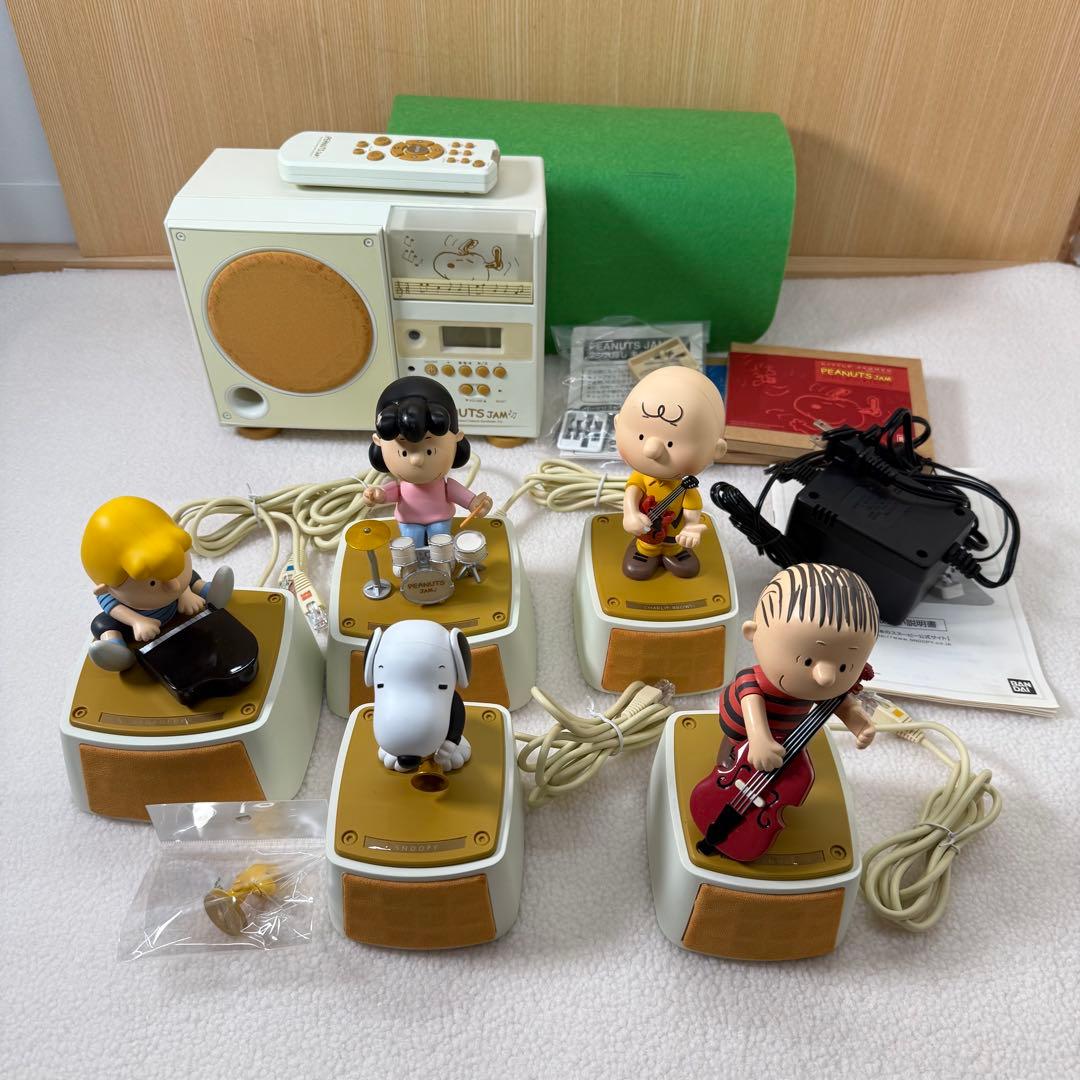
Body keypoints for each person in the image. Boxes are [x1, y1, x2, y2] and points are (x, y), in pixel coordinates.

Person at [720, 562, 879, 774]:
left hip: (786, 732)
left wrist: (859, 723)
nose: (826, 678)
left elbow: (841, 704)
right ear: (752, 632)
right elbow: (752, 708)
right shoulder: (750, 680)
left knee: (784, 760)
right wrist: (759, 739)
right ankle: (729, 756)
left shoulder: (821, 690)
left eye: (844, 667)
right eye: (807, 661)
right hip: (741, 729)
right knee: (734, 747)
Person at [81, 496, 233, 672]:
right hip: (138, 626)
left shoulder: (176, 580)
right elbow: (113, 608)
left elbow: (176, 577)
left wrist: (186, 593)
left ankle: (209, 592)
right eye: (152, 582)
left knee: (190, 578)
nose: (174, 586)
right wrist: (137, 622)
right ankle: (117, 650)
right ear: (106, 588)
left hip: (178, 606)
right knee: (102, 625)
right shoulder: (110, 593)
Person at [614, 366, 726, 580]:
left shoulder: (685, 487)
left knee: (674, 542)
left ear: (717, 450)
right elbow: (632, 493)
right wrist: (631, 513)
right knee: (647, 542)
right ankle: (645, 552)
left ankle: (673, 552)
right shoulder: (641, 477)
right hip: (647, 529)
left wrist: (691, 527)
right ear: (617, 424)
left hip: (674, 528)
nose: (651, 450)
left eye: (671, 443)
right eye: (640, 436)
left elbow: (692, 509)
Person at [363, 376, 492, 547]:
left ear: (456, 440)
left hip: (440, 520)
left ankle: (441, 561)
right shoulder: (401, 486)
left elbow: (463, 497)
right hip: (409, 521)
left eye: (430, 451)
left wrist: (476, 504)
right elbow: (388, 493)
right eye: (404, 452)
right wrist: (376, 495)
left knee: (441, 540)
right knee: (411, 540)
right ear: (379, 443)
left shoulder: (445, 485)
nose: (416, 459)